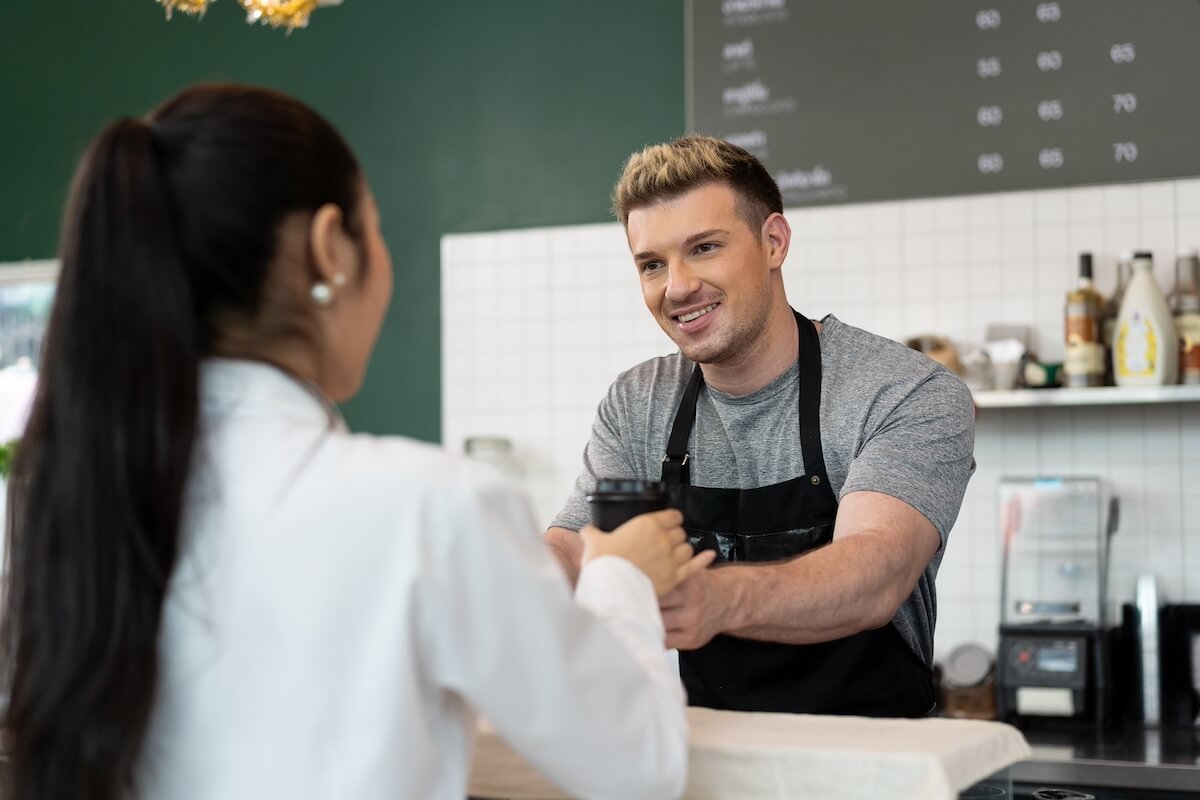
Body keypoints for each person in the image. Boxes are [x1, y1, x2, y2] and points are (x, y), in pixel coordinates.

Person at [0, 84, 713, 800]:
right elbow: (639, 771)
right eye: (376, 229)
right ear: (329, 251)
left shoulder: (81, 499)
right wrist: (621, 576)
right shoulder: (432, 506)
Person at [545, 135, 975, 718]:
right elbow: (579, 546)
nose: (676, 287)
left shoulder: (901, 390)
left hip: (876, 764)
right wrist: (515, 573)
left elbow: (877, 571)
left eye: (704, 248)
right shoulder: (637, 404)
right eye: (652, 264)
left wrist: (716, 600)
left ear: (773, 242)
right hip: (713, 764)